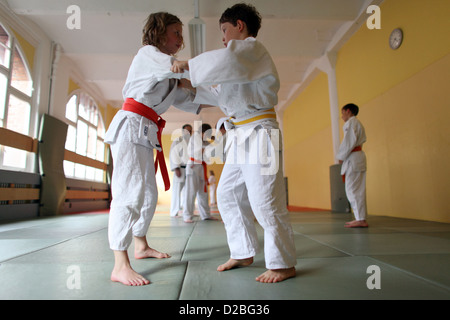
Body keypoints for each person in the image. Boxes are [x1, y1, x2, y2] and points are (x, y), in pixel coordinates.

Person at [172, 3, 296, 283]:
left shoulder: (253, 50)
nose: (224, 38)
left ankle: (283, 263)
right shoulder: (238, 64)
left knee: (265, 199)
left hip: (261, 132)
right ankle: (243, 251)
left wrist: (190, 64)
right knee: (227, 193)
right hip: (240, 136)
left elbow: (225, 62)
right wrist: (187, 85)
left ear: (240, 25)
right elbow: (217, 92)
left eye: (225, 31)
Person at [105, 12, 206, 286]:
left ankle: (140, 245)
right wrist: (196, 71)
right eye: (176, 33)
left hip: (145, 132)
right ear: (160, 33)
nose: (180, 39)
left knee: (148, 194)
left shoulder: (170, 78)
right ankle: (120, 264)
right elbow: (175, 67)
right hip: (130, 128)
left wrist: (224, 93)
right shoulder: (148, 55)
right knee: (130, 193)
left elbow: (193, 99)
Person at [336, 103, 368, 228]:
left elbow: (348, 142)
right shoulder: (356, 123)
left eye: (343, 112)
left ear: (348, 111)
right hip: (356, 157)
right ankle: (360, 218)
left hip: (353, 158)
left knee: (353, 189)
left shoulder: (351, 123)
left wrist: (340, 157)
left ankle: (360, 219)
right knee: (356, 189)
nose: (342, 116)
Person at [182, 123, 218, 223]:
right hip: (193, 166)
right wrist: (213, 143)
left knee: (203, 192)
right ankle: (187, 215)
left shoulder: (202, 139)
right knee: (191, 191)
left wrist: (214, 141)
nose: (207, 137)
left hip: (201, 166)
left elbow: (206, 147)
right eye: (207, 134)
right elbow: (202, 150)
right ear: (202, 132)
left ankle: (205, 214)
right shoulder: (196, 137)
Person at [169, 124, 192, 217]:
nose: (189, 133)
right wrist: (176, 168)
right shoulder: (177, 141)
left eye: (190, 131)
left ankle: (186, 211)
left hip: (189, 169)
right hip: (180, 168)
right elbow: (173, 154)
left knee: (188, 191)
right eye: (187, 131)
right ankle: (174, 212)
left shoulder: (192, 142)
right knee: (177, 191)